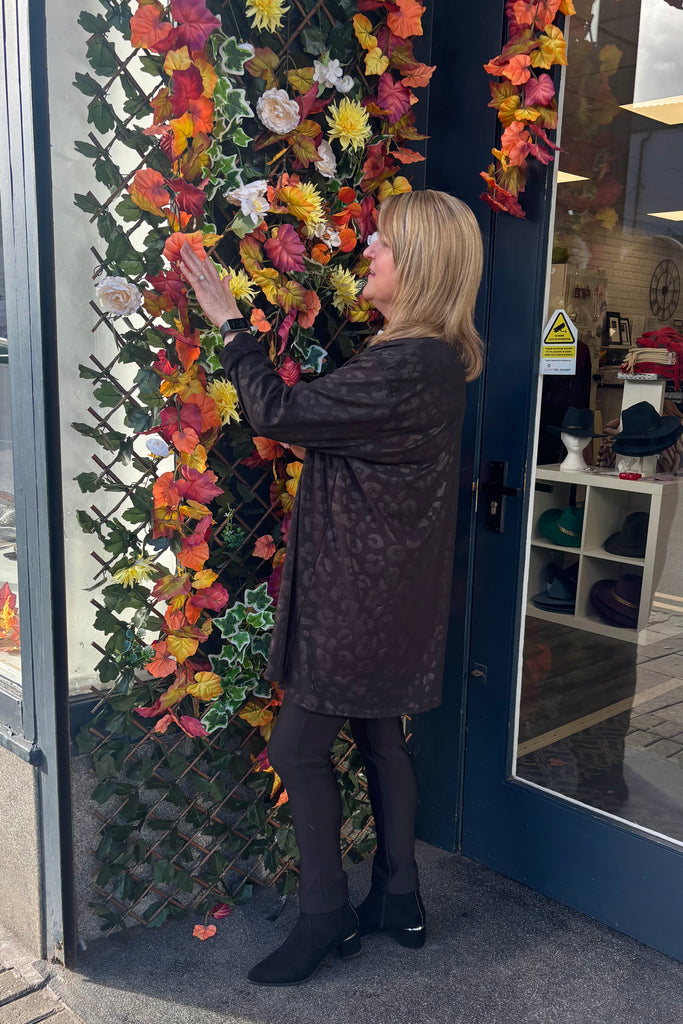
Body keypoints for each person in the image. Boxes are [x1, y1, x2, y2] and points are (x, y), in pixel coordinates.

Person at [179, 189, 484, 986]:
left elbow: (277, 410)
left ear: (415, 266)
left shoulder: (409, 362)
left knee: (296, 747)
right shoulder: (429, 360)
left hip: (361, 595)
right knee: (382, 738)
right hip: (390, 588)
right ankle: (400, 900)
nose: (368, 255)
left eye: (381, 245)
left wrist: (227, 321)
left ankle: (327, 917)